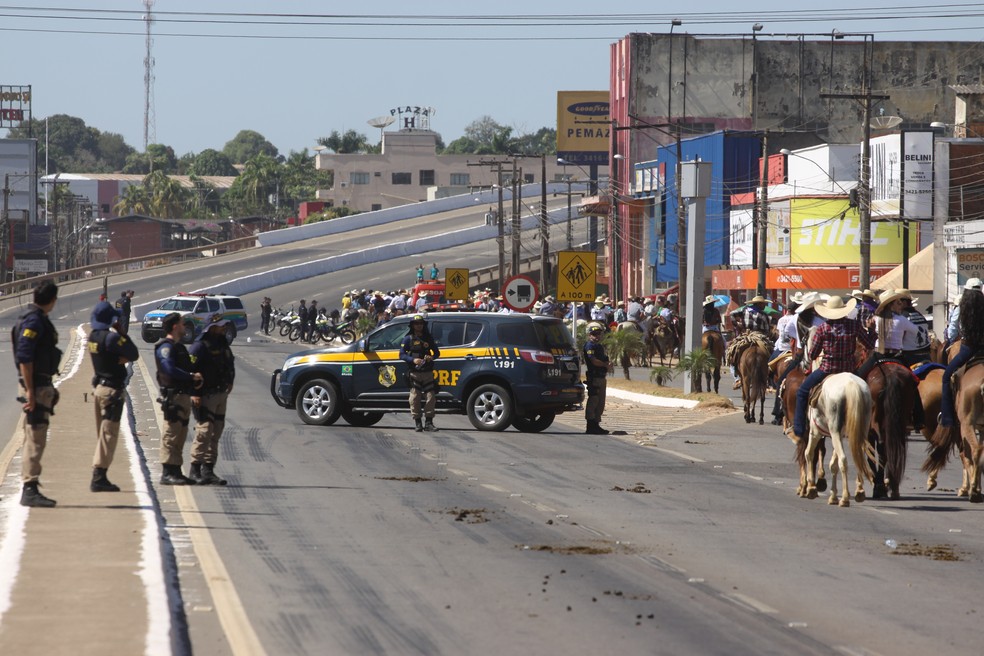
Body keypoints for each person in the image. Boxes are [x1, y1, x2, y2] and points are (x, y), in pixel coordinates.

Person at [792, 296, 876, 440]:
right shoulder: (854, 325)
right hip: (849, 369)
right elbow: (869, 344)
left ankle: (799, 430)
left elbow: (812, 355)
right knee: (867, 393)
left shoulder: (823, 328)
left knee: (802, 392)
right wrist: (872, 330)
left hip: (827, 368)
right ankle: (869, 427)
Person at [12, 280, 61, 507]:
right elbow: (25, 357)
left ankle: (31, 484)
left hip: (39, 385)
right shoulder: (34, 321)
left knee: (34, 436)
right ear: (52, 300)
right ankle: (29, 488)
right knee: (35, 436)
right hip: (36, 386)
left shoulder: (35, 319)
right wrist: (31, 392)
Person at [88, 300, 139, 492]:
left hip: (99, 388)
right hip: (112, 392)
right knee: (109, 434)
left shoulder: (93, 337)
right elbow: (133, 353)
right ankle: (99, 476)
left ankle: (100, 473)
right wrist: (122, 332)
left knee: (102, 433)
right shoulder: (111, 339)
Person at [155, 312, 203, 485]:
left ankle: (176, 470)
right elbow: (168, 369)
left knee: (181, 434)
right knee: (171, 434)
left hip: (183, 396)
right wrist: (191, 376)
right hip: (173, 397)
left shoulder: (180, 348)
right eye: (182, 324)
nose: (185, 327)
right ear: (175, 326)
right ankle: (167, 472)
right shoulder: (165, 347)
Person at [188, 316, 235, 485]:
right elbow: (190, 370)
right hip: (205, 395)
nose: (223, 329)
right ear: (211, 327)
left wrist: (230, 381)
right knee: (204, 431)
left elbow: (230, 363)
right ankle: (195, 469)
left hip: (221, 393)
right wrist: (194, 393)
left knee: (216, 431)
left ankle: (208, 470)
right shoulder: (199, 346)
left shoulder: (222, 343)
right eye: (220, 326)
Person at [939, 286, 984, 428]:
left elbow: (954, 332)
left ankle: (947, 417)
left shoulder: (962, 312)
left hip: (968, 349)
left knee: (946, 376)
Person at [400, 314, 440, 431]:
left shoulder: (428, 338)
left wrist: (431, 357)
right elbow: (401, 354)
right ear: (412, 325)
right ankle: (418, 423)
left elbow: (437, 353)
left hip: (427, 373)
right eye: (416, 324)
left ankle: (429, 423)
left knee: (431, 398)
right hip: (414, 373)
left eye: (421, 324)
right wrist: (413, 360)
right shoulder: (408, 339)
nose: (419, 326)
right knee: (415, 398)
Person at [583, 322, 613, 435]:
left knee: (600, 402)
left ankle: (596, 424)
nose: (596, 336)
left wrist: (608, 363)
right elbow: (593, 360)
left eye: (598, 334)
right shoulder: (589, 346)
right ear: (589, 335)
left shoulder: (599, 346)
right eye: (594, 334)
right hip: (594, 376)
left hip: (600, 376)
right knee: (594, 400)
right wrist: (605, 365)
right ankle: (590, 425)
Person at [945, 278, 982, 348]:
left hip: (967, 345)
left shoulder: (961, 308)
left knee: (950, 357)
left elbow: (953, 325)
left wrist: (952, 340)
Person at [898, 289, 931, 365]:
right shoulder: (920, 315)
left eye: (898, 302)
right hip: (926, 355)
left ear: (904, 303)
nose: (897, 305)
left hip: (909, 356)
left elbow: (899, 339)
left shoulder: (903, 317)